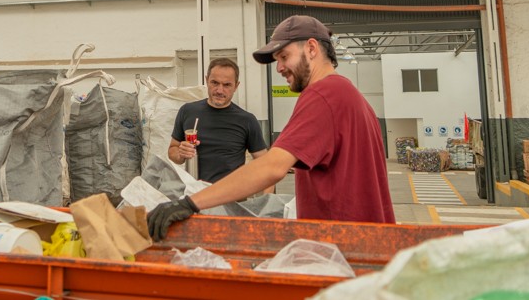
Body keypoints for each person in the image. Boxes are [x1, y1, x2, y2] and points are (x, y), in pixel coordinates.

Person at [147, 15, 394, 240]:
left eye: (284, 56)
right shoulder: (350, 95)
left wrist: (190, 203)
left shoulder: (323, 94)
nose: (279, 68)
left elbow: (272, 166)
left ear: (311, 48)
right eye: (277, 61)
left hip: (343, 242)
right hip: (365, 240)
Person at [167, 58, 269, 183]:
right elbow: (173, 150)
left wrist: (267, 199)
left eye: (227, 85)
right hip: (194, 195)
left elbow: (265, 165)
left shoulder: (247, 120)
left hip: (230, 198)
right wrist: (180, 154)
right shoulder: (187, 111)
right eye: (214, 83)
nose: (219, 90)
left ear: (236, 86)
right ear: (206, 80)